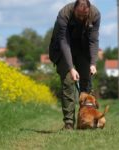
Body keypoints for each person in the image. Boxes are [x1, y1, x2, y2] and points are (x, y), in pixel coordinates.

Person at [49, 0, 101, 130]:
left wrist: (93, 63)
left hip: (82, 49)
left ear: (88, 10)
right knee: (68, 82)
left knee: (87, 81)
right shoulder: (64, 14)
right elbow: (64, 42)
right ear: (74, 9)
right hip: (62, 48)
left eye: (84, 15)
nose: (82, 17)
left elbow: (93, 40)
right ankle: (69, 123)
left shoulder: (95, 14)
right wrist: (71, 68)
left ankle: (88, 120)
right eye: (79, 14)